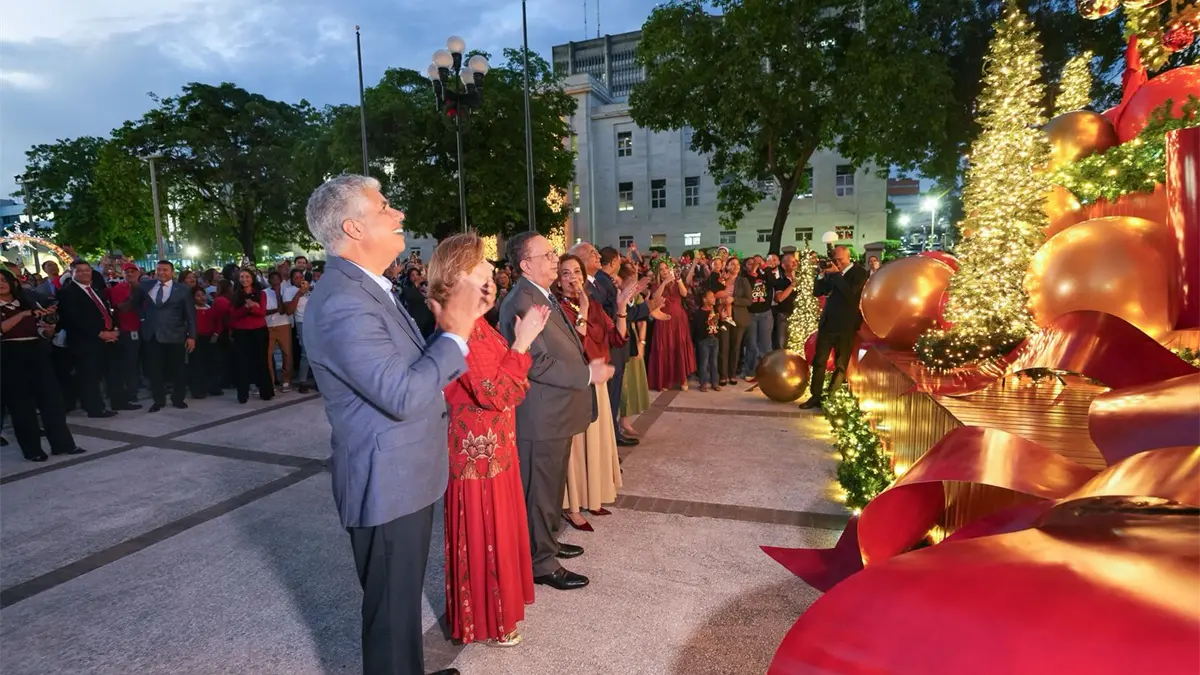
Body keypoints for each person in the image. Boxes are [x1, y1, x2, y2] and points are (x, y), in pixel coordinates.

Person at [303, 174, 486, 675]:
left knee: (401, 601)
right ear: (353, 227)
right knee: (389, 613)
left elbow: (405, 371)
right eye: (384, 207)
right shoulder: (343, 301)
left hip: (405, 474)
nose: (398, 214)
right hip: (385, 484)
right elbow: (402, 394)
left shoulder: (366, 289)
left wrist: (449, 330)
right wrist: (457, 332)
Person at [430, 232, 549, 648]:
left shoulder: (475, 322)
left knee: (496, 533)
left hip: (493, 446)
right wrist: (523, 341)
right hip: (478, 455)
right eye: (483, 266)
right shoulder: (462, 326)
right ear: (461, 273)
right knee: (485, 535)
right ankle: (488, 619)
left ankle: (489, 614)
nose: (492, 273)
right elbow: (498, 392)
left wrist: (518, 347)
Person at [498, 231, 613, 592]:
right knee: (540, 491)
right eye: (546, 255)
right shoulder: (522, 300)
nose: (555, 259)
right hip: (540, 416)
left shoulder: (542, 294)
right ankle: (540, 563)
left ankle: (546, 541)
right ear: (525, 265)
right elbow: (537, 363)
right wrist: (586, 374)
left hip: (555, 413)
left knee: (550, 487)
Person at [556, 253, 638, 530]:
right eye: (565, 273)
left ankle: (593, 498)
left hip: (599, 382)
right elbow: (573, 346)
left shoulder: (593, 305)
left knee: (597, 443)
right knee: (578, 448)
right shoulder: (558, 309)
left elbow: (617, 337)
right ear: (557, 279)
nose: (572, 279)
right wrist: (580, 310)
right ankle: (573, 506)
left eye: (576, 273)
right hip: (577, 383)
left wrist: (622, 307)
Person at [0, 268, 84, 461]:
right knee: (21, 405)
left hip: (36, 353)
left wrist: (48, 329)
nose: (1, 283)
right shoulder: (24, 310)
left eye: (4, 280)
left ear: (13, 283)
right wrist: (22, 315)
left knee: (52, 401)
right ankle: (32, 450)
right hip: (9, 355)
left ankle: (63, 444)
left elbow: (43, 333)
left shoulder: (27, 302)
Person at [592, 246, 658, 447]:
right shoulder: (603, 283)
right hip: (613, 348)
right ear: (613, 262)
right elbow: (618, 315)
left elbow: (623, 307)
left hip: (617, 346)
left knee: (614, 395)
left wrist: (632, 292)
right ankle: (611, 437)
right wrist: (647, 307)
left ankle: (614, 433)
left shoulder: (605, 281)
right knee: (612, 396)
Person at [800, 245, 869, 410]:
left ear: (848, 257)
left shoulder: (858, 272)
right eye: (835, 259)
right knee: (819, 362)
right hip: (827, 324)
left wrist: (837, 274)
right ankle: (815, 396)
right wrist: (821, 276)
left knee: (840, 363)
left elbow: (850, 293)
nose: (837, 262)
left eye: (840, 259)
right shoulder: (833, 273)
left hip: (845, 326)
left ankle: (831, 397)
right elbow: (818, 292)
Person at [136, 260, 197, 411]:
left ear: (172, 272)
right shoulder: (146, 286)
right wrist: (143, 319)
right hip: (152, 335)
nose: (161, 272)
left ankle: (178, 398)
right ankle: (158, 400)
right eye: (159, 269)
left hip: (175, 335)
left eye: (165, 270)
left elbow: (190, 315)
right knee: (154, 370)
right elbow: (135, 304)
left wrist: (192, 336)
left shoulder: (183, 290)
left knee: (178, 370)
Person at [646, 260, 695, 391]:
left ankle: (682, 379)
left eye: (666, 268)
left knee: (679, 346)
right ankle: (665, 380)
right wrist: (664, 283)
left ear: (670, 269)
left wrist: (678, 281)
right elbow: (655, 298)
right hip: (662, 318)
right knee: (664, 347)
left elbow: (684, 294)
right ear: (658, 272)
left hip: (679, 318)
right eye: (661, 269)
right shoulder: (657, 284)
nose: (664, 271)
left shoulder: (677, 282)